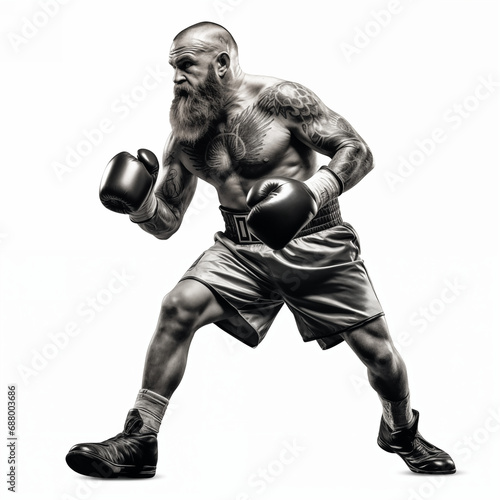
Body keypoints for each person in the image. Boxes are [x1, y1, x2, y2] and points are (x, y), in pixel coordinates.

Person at [66, 21, 455, 478]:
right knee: (178, 306)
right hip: (239, 249)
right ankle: (140, 438)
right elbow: (167, 222)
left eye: (186, 66)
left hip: (315, 239)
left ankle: (400, 430)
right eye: (171, 68)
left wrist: (312, 193)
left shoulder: (282, 99)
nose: (175, 79)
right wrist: (141, 204)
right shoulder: (185, 131)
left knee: (381, 356)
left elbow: (357, 150)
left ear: (222, 64)